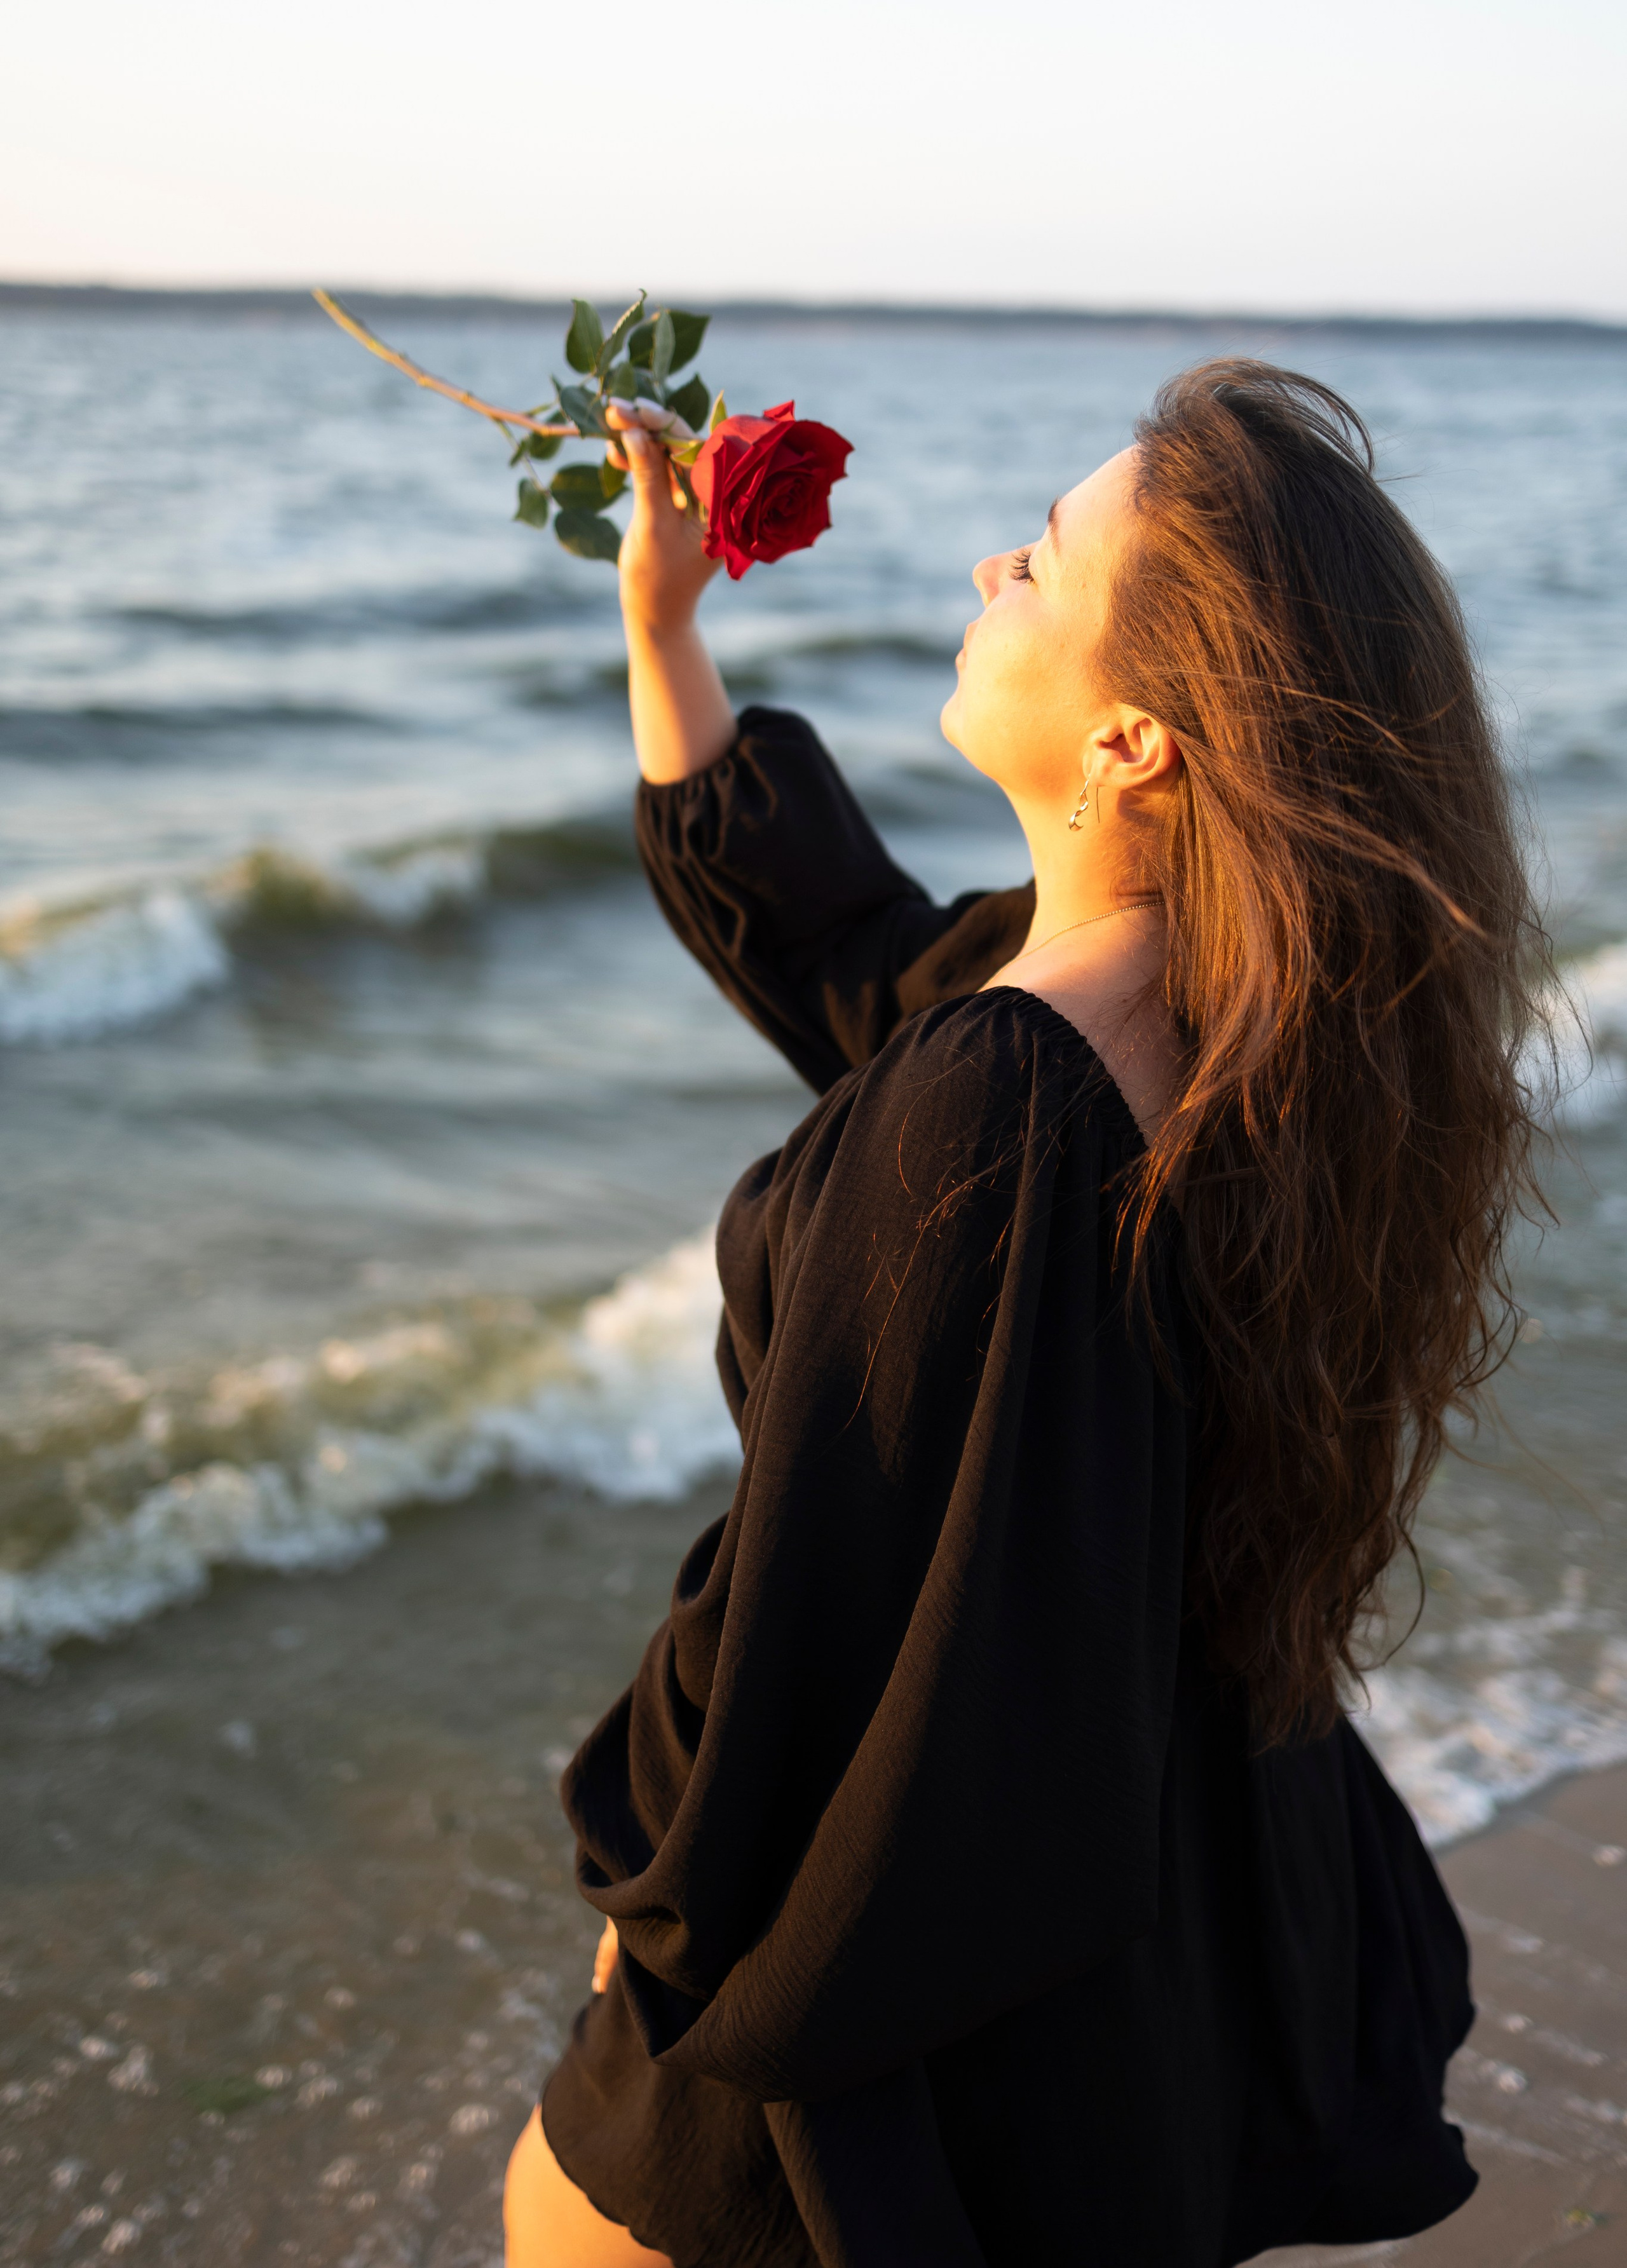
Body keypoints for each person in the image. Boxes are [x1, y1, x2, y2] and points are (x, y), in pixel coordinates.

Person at [504, 361, 1553, 2268]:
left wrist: (641, 1901)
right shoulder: (1241, 1026)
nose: (994, 560)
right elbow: (855, 962)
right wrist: (662, 634)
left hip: (885, 1991)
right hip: (1134, 1933)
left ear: (1139, 735)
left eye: (1043, 564)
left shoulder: (1004, 1094)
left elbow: (811, 1636)